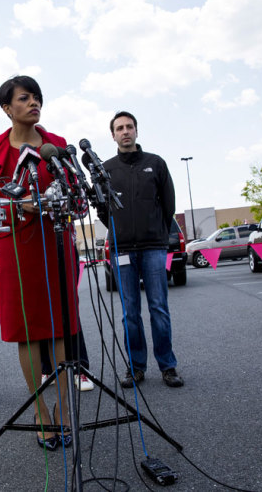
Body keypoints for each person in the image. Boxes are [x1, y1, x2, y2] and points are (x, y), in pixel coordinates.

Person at [0, 76, 80, 450]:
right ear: (6, 108)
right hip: (15, 248)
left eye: (37, 98)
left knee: (61, 324)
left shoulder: (57, 144)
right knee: (28, 330)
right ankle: (41, 412)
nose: (34, 103)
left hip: (56, 241)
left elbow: (73, 188)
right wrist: (17, 204)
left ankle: (64, 407)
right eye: (25, 98)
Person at [99, 111, 184, 389]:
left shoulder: (156, 164)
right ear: (113, 135)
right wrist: (120, 228)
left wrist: (156, 233)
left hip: (153, 248)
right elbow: (102, 209)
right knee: (130, 313)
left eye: (129, 127)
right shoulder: (106, 170)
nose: (125, 131)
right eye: (119, 128)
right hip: (122, 249)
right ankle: (135, 367)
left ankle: (168, 366)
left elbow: (168, 204)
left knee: (158, 308)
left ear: (136, 131)